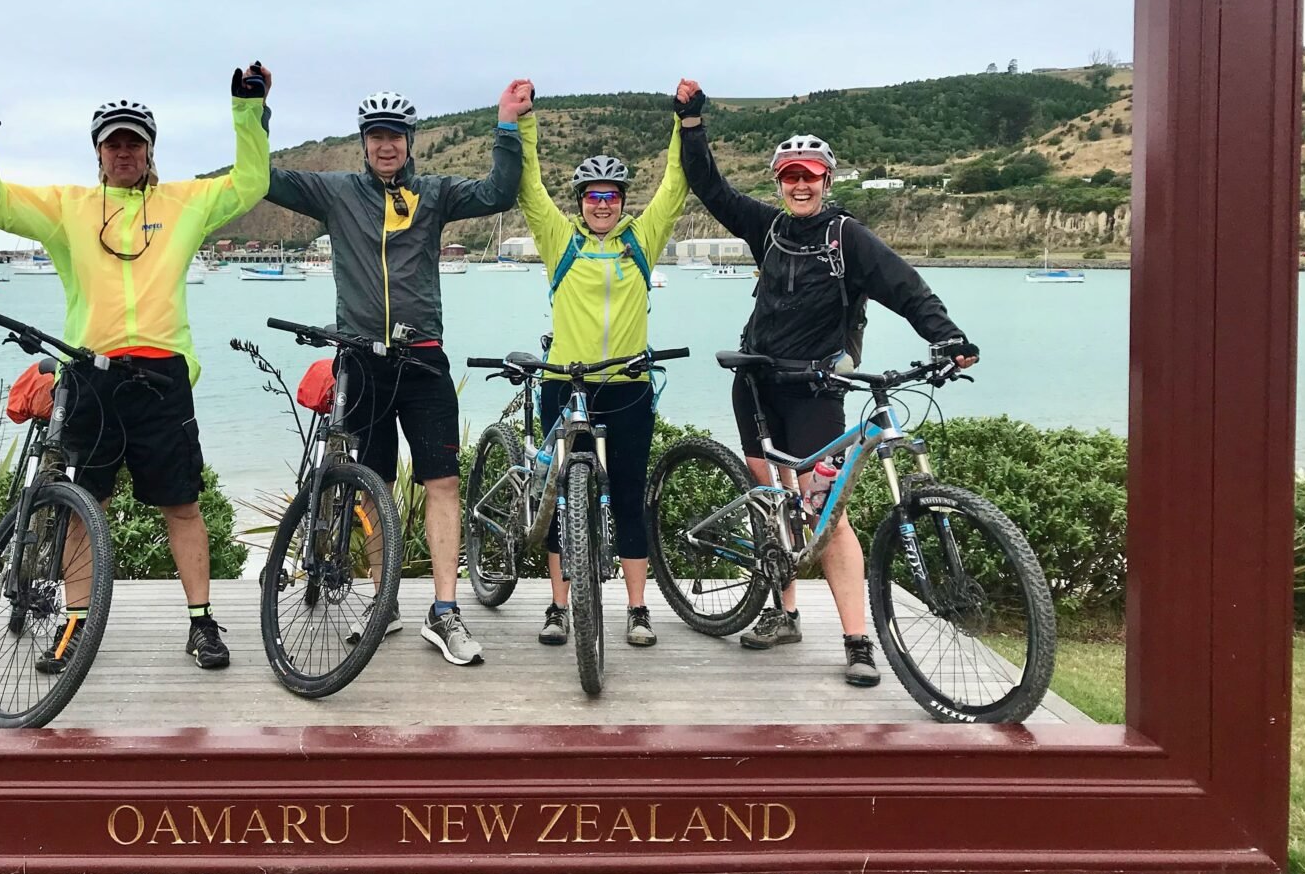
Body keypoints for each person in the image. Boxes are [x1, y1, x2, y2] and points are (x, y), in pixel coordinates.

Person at [0, 65, 271, 673]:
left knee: (182, 505)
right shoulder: (68, 209)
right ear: (98, 152)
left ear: (150, 149)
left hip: (162, 378)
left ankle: (201, 623)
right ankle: (75, 627)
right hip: (88, 377)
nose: (123, 152)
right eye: (112, 142)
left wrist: (248, 107)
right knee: (80, 505)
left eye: (134, 141)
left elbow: (252, 181)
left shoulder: (184, 203)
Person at [673, 79, 978, 687]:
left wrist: (945, 337)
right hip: (757, 382)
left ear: (827, 179)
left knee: (826, 514)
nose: (800, 183)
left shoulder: (849, 237)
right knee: (771, 502)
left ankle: (858, 640)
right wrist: (691, 124)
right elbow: (709, 187)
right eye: (790, 175)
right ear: (780, 182)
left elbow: (905, 286)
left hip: (816, 390)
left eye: (810, 174)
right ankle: (783, 615)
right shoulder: (767, 228)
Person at [265, 79, 529, 665]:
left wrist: (507, 125)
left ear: (410, 142)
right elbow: (266, 178)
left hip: (422, 358)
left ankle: (444, 611)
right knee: (372, 485)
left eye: (396, 136)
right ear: (364, 142)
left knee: (443, 484)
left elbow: (498, 193)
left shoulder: (432, 194)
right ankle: (384, 603)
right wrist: (255, 111)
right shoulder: (336, 194)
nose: (386, 145)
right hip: (360, 360)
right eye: (377, 136)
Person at [510, 79, 688, 649]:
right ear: (581, 201)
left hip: (629, 388)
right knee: (563, 498)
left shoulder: (642, 240)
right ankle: (559, 606)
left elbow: (675, 186)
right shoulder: (561, 241)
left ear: (622, 202)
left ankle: (638, 610)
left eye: (612, 195)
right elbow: (530, 189)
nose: (603, 203)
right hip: (566, 386)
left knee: (628, 497)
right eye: (593, 195)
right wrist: (526, 121)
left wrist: (683, 121)